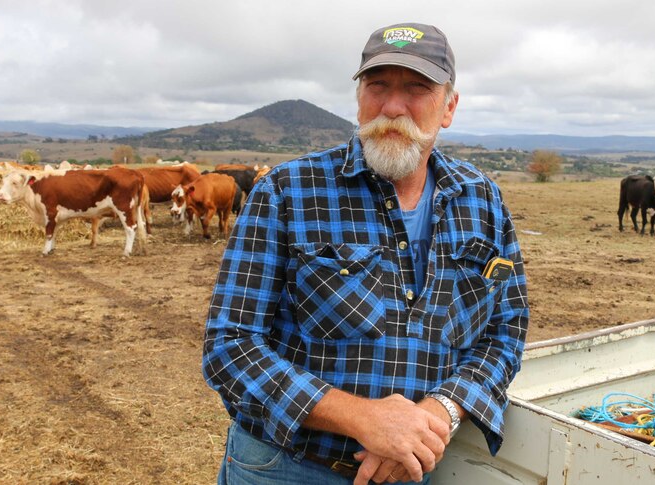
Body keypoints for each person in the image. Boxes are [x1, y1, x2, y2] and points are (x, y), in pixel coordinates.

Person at [202, 22, 529, 485]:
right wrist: (362, 419)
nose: (393, 106)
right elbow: (229, 345)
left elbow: (505, 331)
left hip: (413, 471)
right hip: (286, 469)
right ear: (358, 98)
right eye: (378, 86)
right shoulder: (287, 191)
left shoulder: (483, 201)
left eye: (417, 88)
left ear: (449, 106)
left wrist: (440, 413)